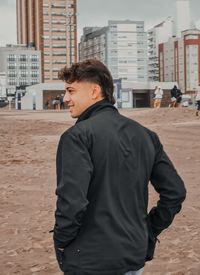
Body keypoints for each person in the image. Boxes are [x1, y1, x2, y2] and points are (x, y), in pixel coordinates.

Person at [53, 59, 186, 275]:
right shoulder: (145, 135)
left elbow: (72, 201)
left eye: (71, 90)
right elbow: (175, 192)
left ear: (95, 91)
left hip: (90, 260)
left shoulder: (77, 137)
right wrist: (147, 231)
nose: (65, 98)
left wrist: (61, 240)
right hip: (133, 255)